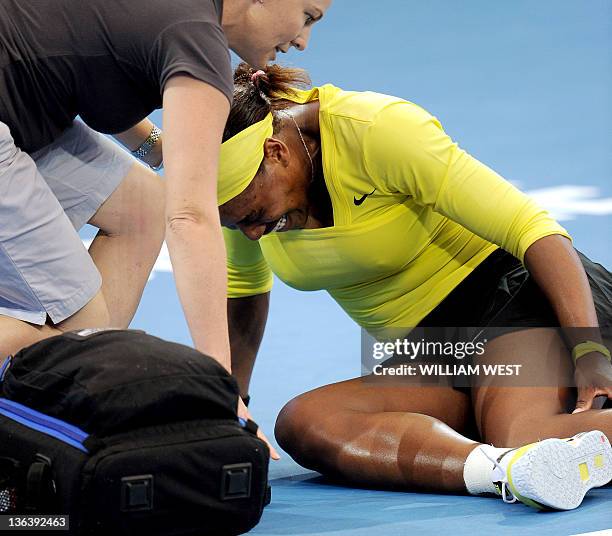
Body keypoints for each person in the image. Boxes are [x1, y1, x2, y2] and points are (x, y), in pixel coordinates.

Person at [216, 63, 612, 509]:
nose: (250, 233)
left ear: (276, 152)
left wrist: (588, 350)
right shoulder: (236, 195)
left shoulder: (375, 130)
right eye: (234, 224)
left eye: (252, 216)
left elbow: (532, 228)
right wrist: (232, 406)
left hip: (513, 298)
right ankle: (500, 471)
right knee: (306, 421)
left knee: (526, 435)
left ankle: (520, 440)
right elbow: (245, 285)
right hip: (439, 354)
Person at [0, 0, 332, 457]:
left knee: (143, 206)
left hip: (25, 113)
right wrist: (221, 392)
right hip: (10, 120)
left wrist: (163, 150)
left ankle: (47, 417)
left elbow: (95, 66)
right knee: (84, 334)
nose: (303, 40)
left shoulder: (183, 18)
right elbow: (191, 219)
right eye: (308, 16)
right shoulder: (199, 41)